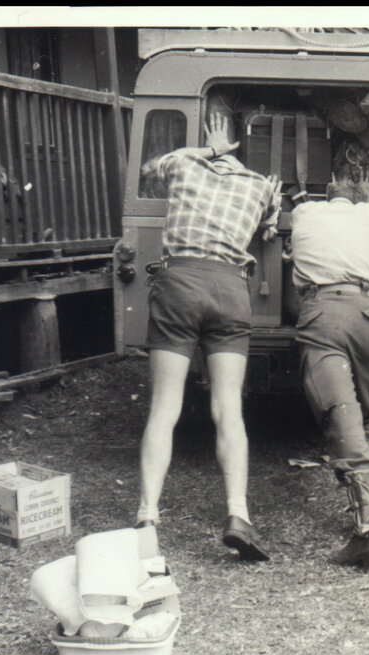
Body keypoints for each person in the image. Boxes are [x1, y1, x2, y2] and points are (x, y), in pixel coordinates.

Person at [135, 112, 282, 562]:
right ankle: (238, 514)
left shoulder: (183, 164)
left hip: (179, 285)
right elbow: (269, 227)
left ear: (218, 142)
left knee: (165, 407)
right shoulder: (260, 187)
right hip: (230, 288)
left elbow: (148, 170)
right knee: (228, 408)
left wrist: (208, 150)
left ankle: (147, 517)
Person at [290, 169, 369, 568]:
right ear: (360, 196)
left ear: (328, 191)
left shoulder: (305, 213)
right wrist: (368, 199)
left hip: (324, 318)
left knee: (341, 412)